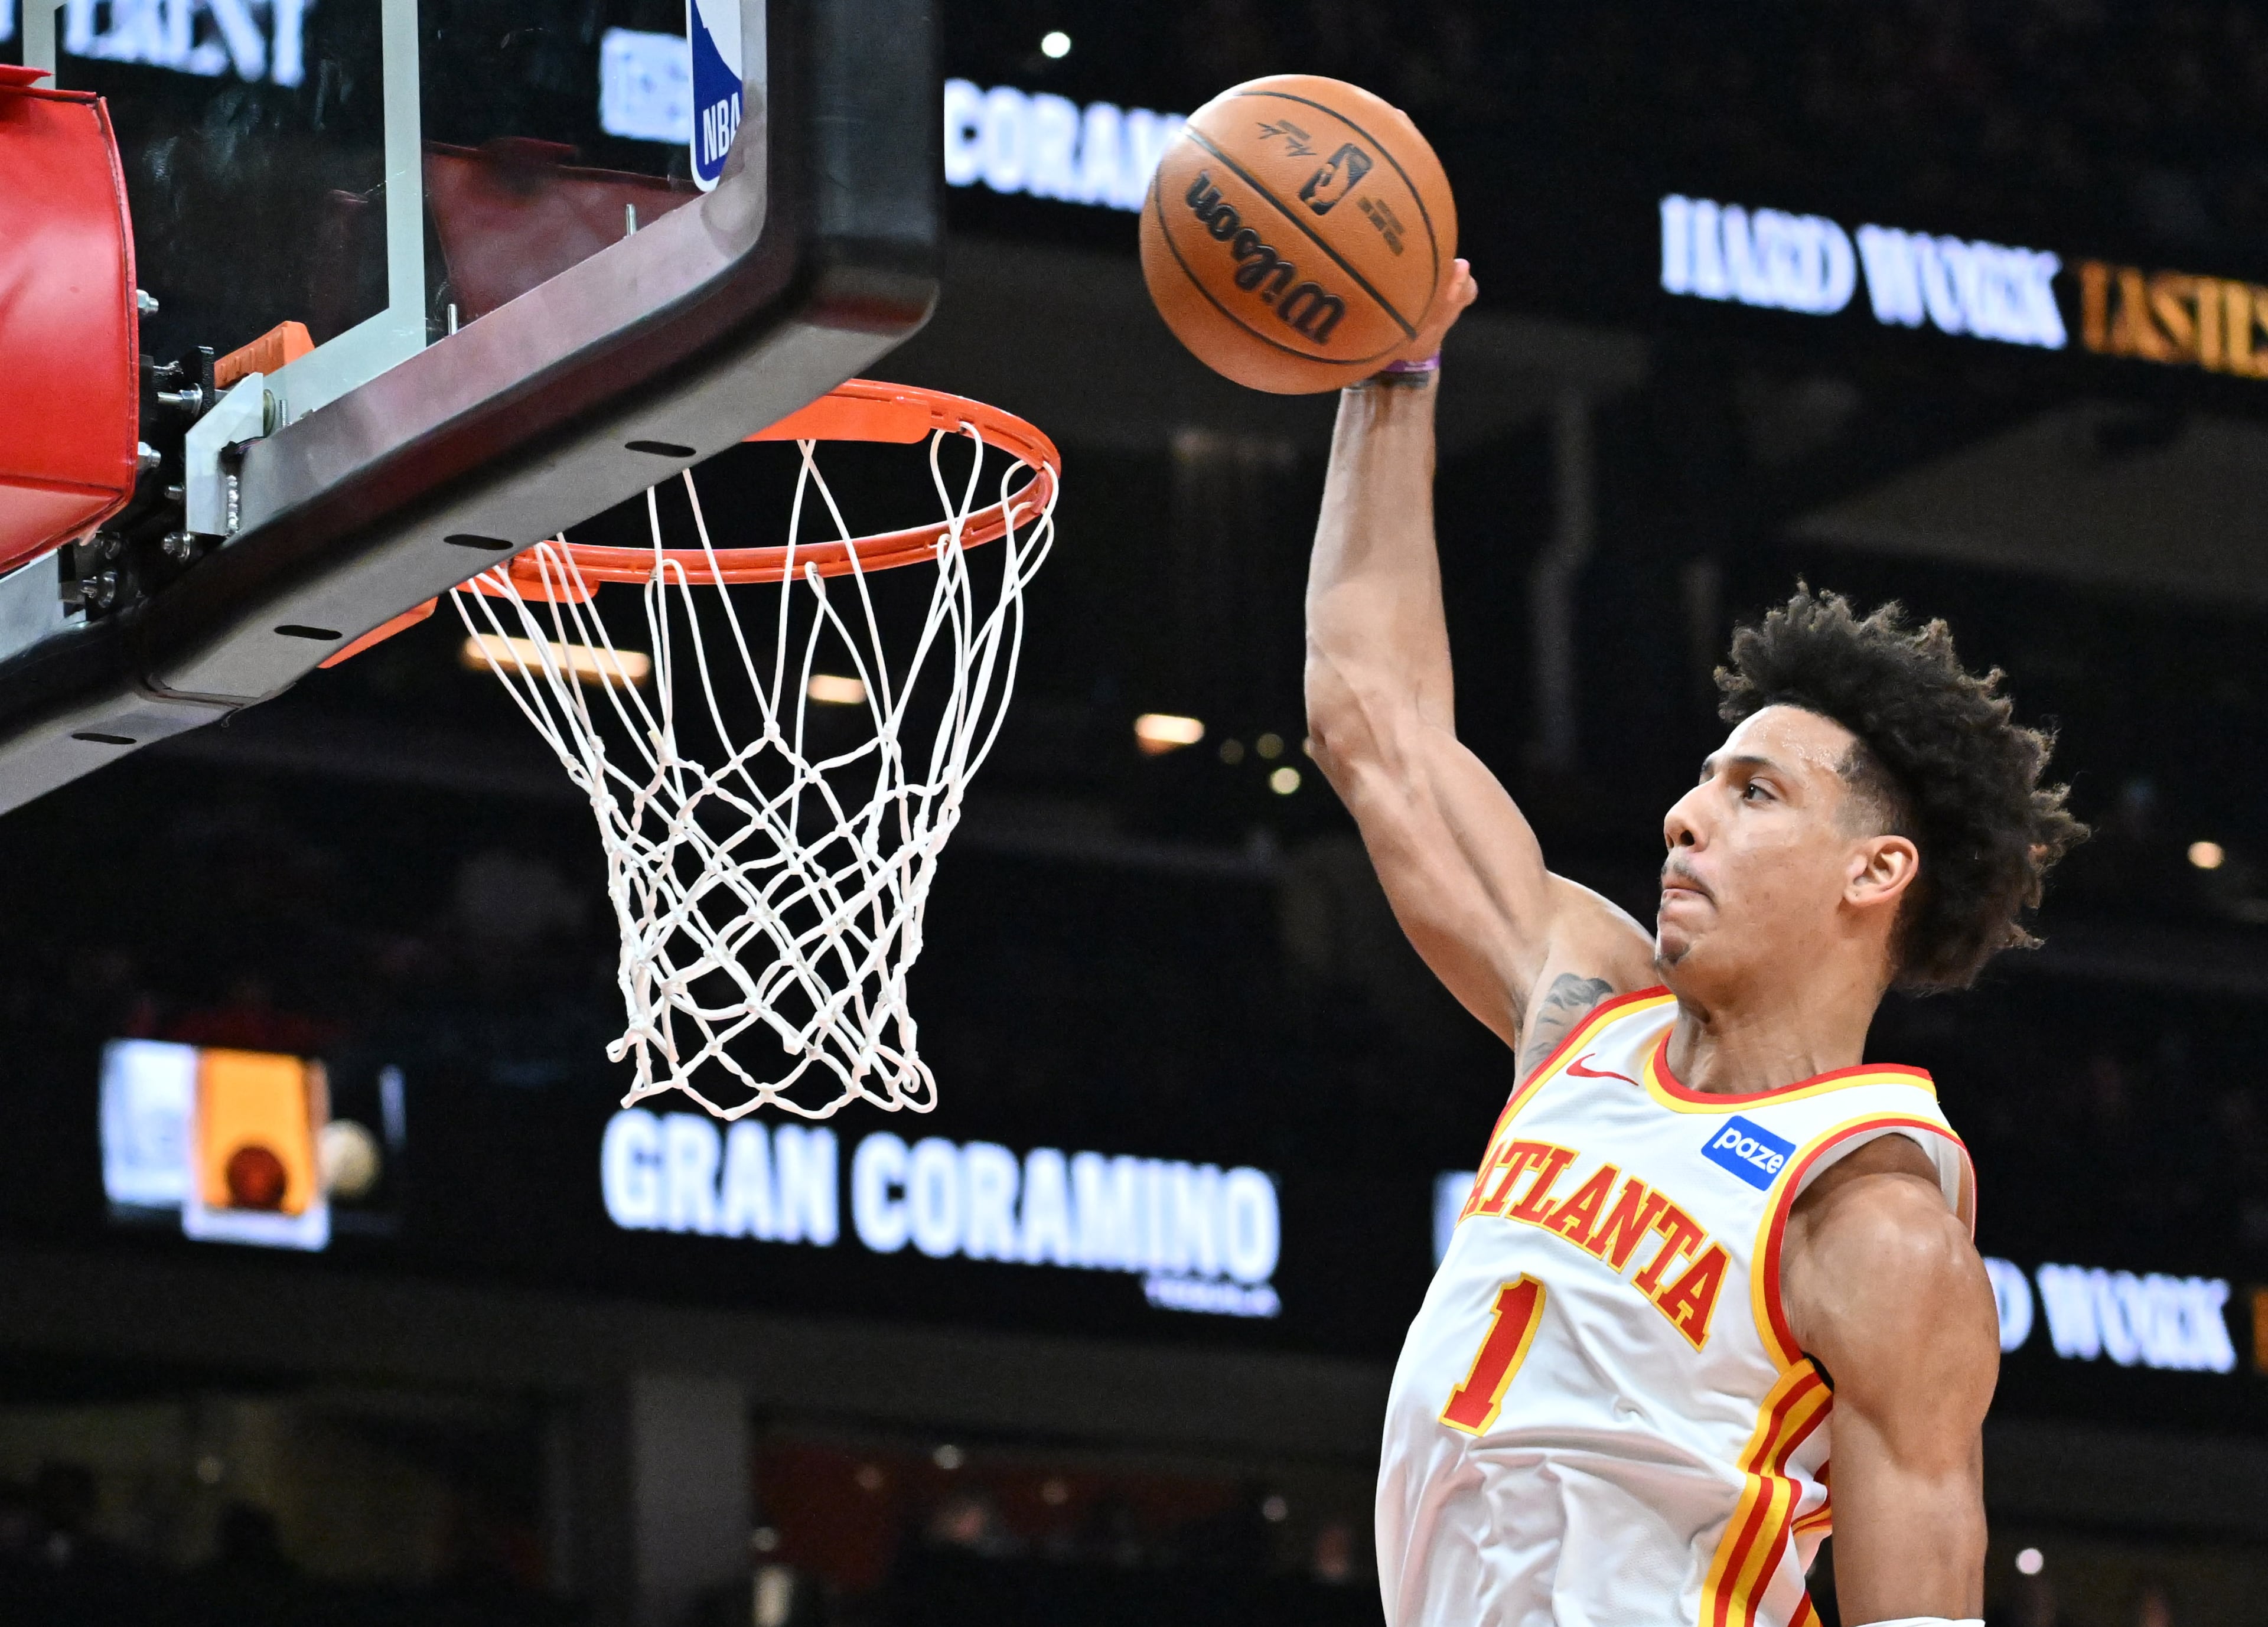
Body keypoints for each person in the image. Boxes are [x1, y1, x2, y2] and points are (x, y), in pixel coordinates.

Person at [1304, 259, 2085, 1627]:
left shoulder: (1877, 1224)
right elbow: (1372, 721)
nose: (1682, 815)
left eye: (1754, 792)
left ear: (1876, 869)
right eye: (1706, 777)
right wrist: (1396, 375)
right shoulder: (1582, 1010)